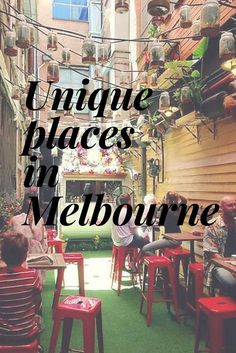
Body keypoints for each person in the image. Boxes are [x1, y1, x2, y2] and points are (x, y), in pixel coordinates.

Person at [0, 232, 42, 345]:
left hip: (2, 336)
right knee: (39, 320)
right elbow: (38, 300)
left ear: (2, 255)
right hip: (27, 334)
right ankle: (37, 348)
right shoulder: (32, 275)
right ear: (25, 256)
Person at [203, 194, 236, 299]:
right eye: (230, 205)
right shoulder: (212, 225)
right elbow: (213, 255)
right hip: (217, 265)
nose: (234, 207)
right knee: (232, 283)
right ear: (221, 208)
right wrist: (231, 266)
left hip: (233, 262)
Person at [112, 193, 150, 271]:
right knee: (147, 243)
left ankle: (123, 263)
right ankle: (134, 262)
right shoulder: (128, 212)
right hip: (126, 241)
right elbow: (134, 230)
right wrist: (141, 236)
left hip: (117, 240)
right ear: (129, 201)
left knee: (138, 240)